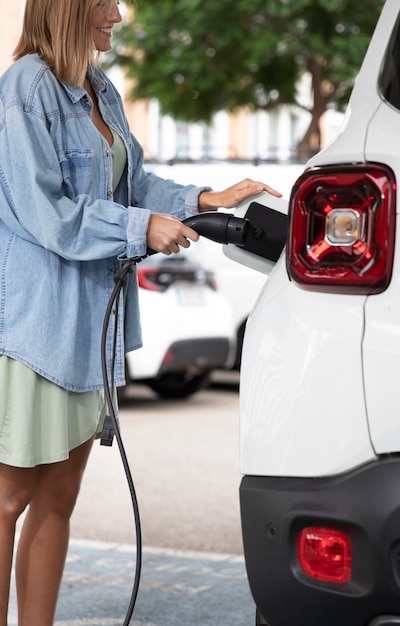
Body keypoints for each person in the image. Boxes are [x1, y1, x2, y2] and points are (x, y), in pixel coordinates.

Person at [0, 0, 282, 624]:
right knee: (9, 496)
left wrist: (203, 198)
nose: (120, 15)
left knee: (59, 497)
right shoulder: (25, 90)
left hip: (90, 330)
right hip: (35, 327)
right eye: (106, 2)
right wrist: (139, 227)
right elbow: (48, 211)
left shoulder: (99, 89)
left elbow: (133, 185)